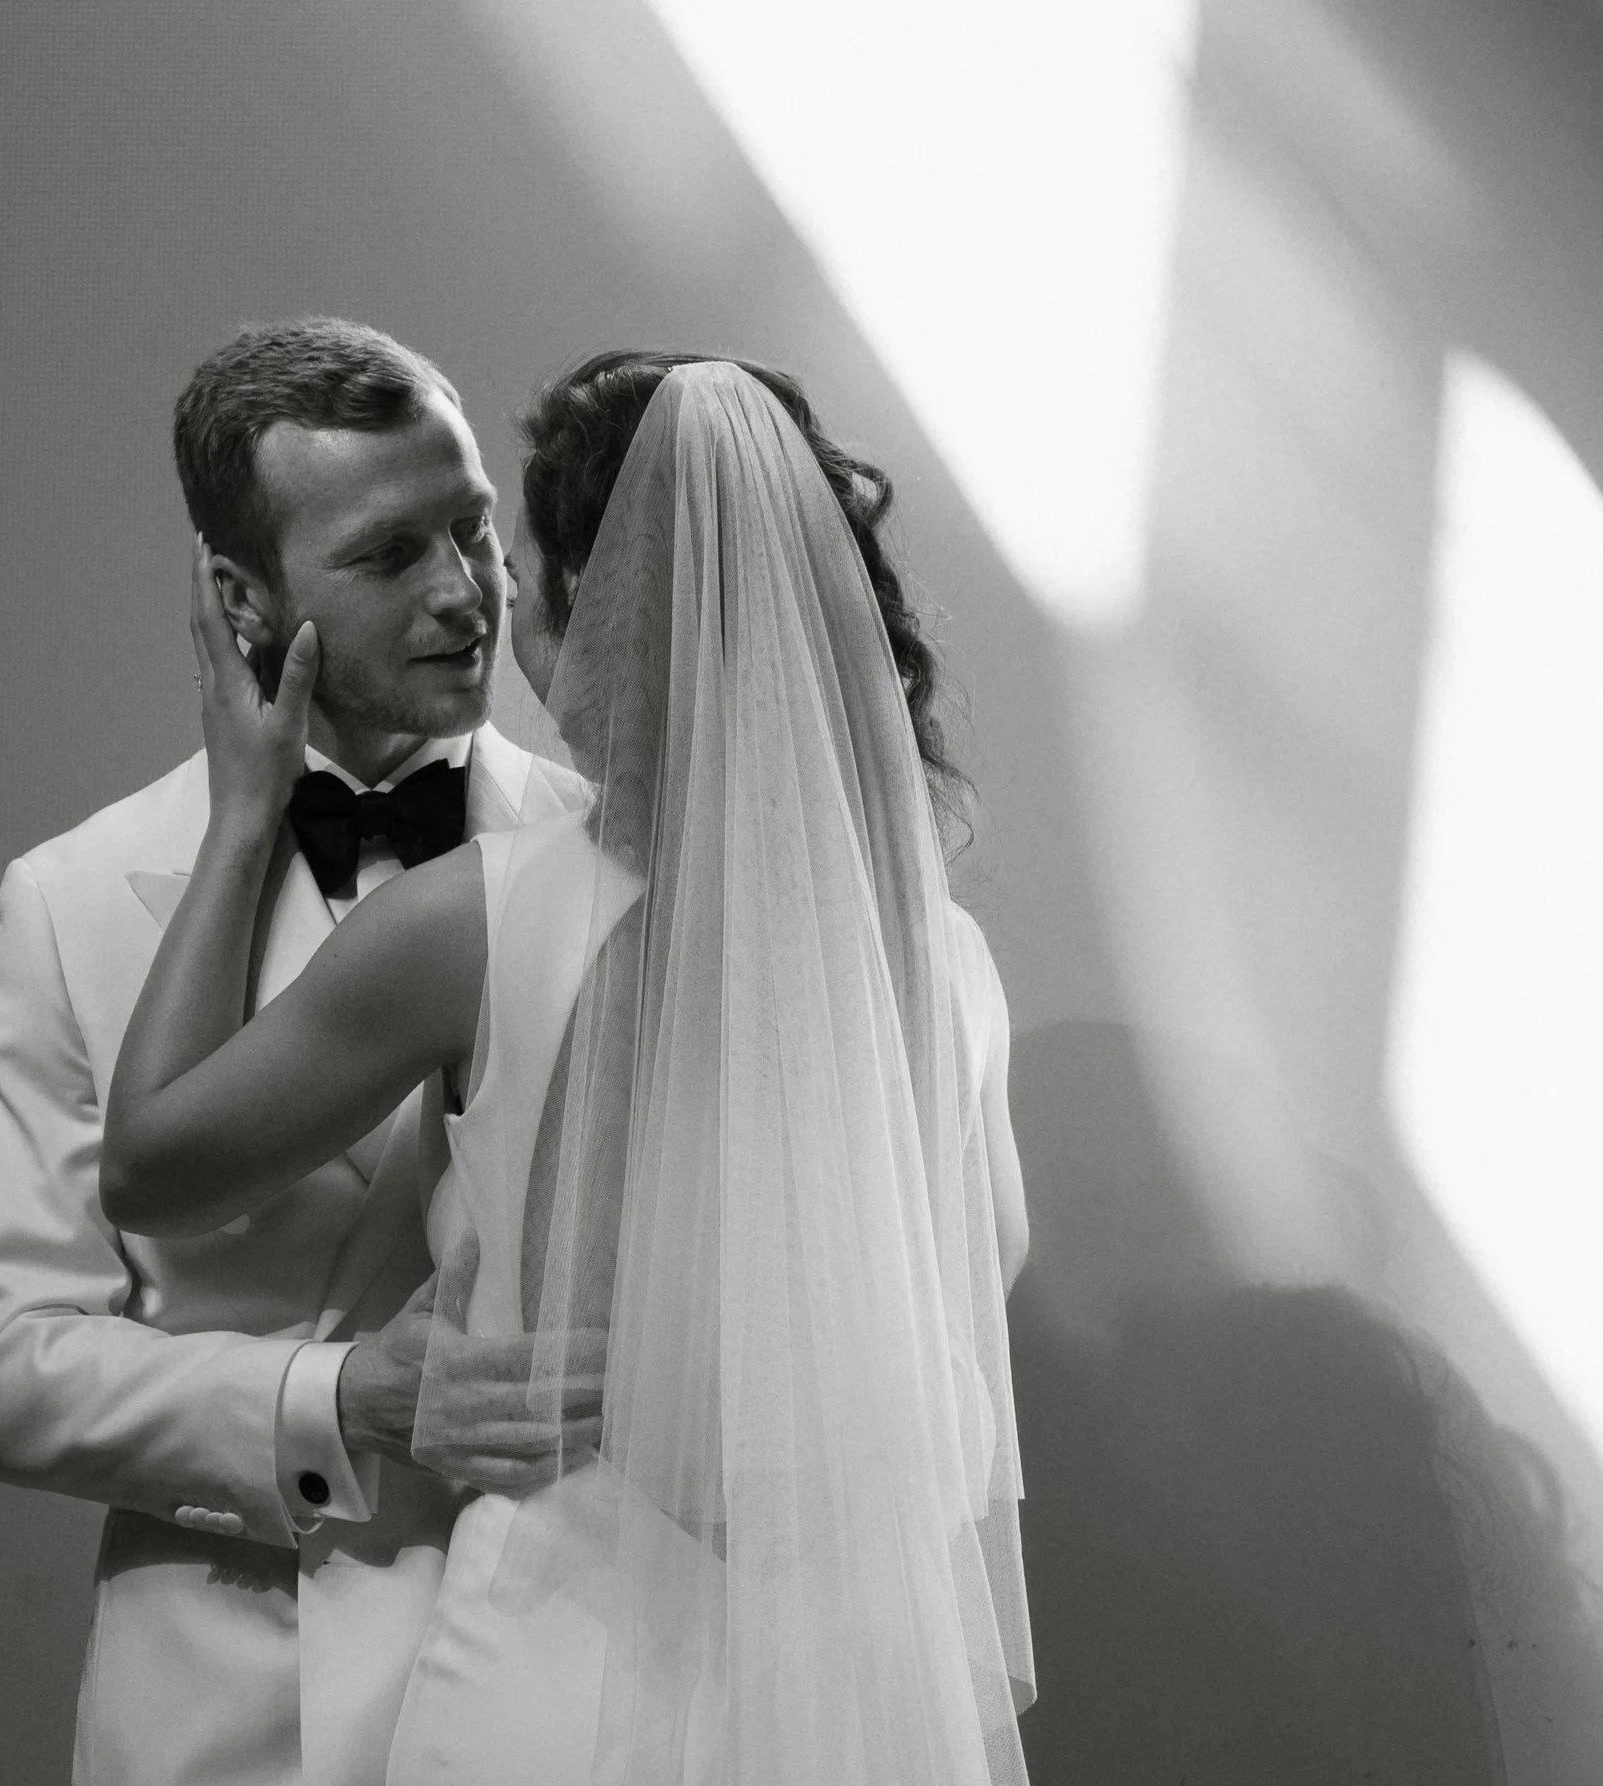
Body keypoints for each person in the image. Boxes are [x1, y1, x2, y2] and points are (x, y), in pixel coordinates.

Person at [101, 354, 1035, 1782]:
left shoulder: (480, 917)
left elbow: (155, 1164)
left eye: (528, 583)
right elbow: (962, 1313)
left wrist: (244, 813)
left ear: (600, 614)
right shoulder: (942, 965)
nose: (498, 615)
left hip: (555, 1670)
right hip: (838, 1690)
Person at [0, 317, 597, 1786]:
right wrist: (335, 1402)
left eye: (476, 530)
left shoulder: (618, 864)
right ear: (242, 600)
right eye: (387, 557)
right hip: (220, 1718)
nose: (464, 594)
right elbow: (4, 1366)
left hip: (555, 1681)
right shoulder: (71, 899)